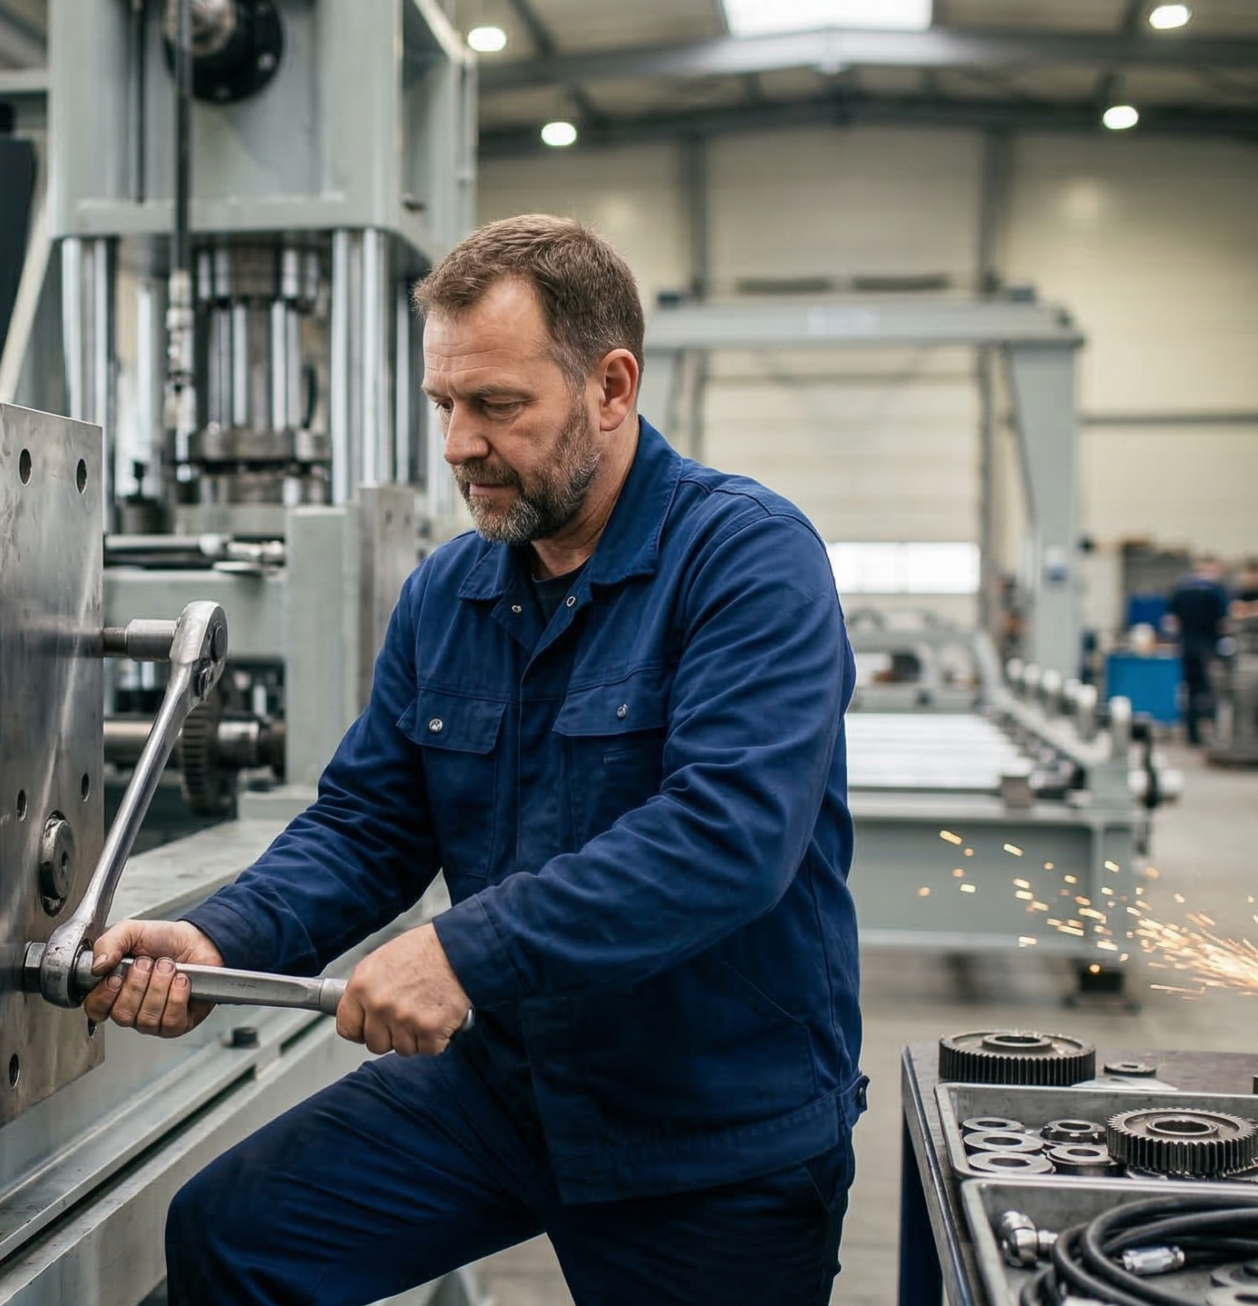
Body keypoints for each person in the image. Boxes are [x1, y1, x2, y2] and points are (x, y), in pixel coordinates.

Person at [84, 216, 861, 1305]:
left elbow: (727, 836)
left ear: (612, 385)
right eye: (444, 405)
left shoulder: (744, 559)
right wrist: (222, 932)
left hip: (712, 1124)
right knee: (229, 1236)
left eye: (498, 406)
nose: (457, 445)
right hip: (510, 1086)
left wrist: (461, 953)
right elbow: (369, 824)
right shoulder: (451, 592)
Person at [1167, 557, 1230, 746]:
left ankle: (1192, 734)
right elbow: (1224, 622)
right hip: (1208, 647)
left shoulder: (1181, 588)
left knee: (1191, 690)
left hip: (1186, 647)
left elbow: (1172, 621)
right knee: (1211, 690)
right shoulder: (1216, 590)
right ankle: (1213, 731)